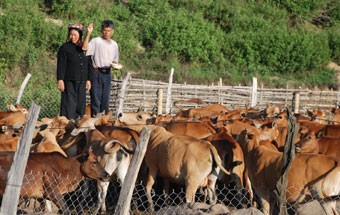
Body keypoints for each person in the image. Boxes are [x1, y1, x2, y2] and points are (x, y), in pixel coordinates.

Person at [84, 20, 121, 116]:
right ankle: (95, 121)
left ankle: (104, 122)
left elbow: (115, 60)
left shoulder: (114, 45)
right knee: (96, 98)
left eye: (109, 31)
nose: (106, 33)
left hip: (107, 73)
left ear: (112, 31)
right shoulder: (96, 41)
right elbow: (86, 51)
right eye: (104, 30)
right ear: (101, 30)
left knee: (105, 99)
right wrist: (88, 34)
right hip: (96, 72)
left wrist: (116, 65)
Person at [56, 23, 92, 120]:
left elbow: (89, 64)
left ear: (80, 35)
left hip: (82, 81)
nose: (72, 37)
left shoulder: (84, 48)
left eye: (75, 35)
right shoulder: (65, 48)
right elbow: (61, 64)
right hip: (69, 82)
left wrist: (88, 79)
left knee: (80, 106)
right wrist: (60, 80)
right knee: (68, 106)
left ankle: (78, 128)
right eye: (71, 35)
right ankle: (66, 126)